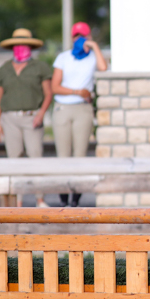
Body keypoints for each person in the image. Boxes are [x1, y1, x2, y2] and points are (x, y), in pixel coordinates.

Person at [0, 28, 53, 207]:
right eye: (17, 45)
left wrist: (41, 113)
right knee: (14, 159)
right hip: (10, 118)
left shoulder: (40, 67)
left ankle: (39, 199)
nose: (20, 48)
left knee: (35, 157)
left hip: (31, 116)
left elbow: (48, 93)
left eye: (24, 45)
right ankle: (17, 201)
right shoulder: (4, 69)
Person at [51, 22, 107, 207]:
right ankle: (63, 197)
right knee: (63, 155)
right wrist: (77, 92)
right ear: (72, 37)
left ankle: (75, 198)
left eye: (84, 36)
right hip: (64, 108)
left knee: (80, 155)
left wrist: (95, 47)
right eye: (77, 36)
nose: (80, 39)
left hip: (83, 109)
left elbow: (103, 68)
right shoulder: (64, 57)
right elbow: (55, 87)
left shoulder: (91, 57)